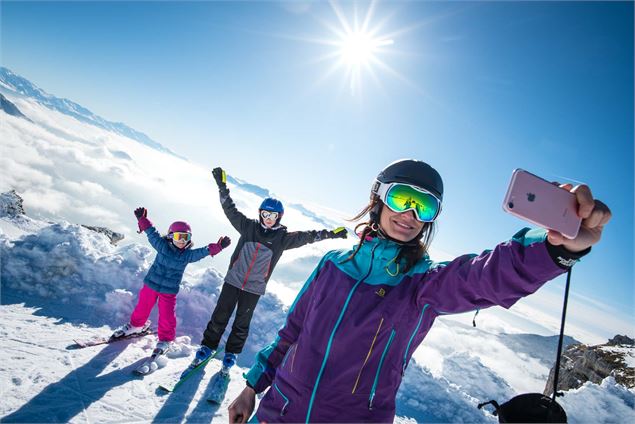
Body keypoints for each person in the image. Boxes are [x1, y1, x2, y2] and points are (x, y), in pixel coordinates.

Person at [227, 159, 612, 423]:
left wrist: (555, 247)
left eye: (424, 206)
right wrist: (251, 388)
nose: (410, 214)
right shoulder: (332, 265)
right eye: (401, 198)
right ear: (377, 199)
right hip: (277, 411)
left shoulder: (422, 285)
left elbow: (485, 276)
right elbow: (290, 333)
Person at [186, 167, 348, 376]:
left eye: (272, 215)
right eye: (265, 213)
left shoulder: (283, 238)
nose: (268, 218)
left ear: (279, 216)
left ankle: (231, 355)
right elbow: (230, 210)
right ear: (260, 213)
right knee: (220, 315)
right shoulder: (247, 227)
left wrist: (332, 234)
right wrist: (222, 186)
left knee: (242, 323)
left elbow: (309, 236)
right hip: (233, 280)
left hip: (254, 287)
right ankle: (207, 347)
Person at [111, 207, 231, 352]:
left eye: (185, 238)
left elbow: (202, 252)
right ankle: (136, 325)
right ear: (170, 236)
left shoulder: (187, 255)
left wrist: (218, 247)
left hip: (169, 291)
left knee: (167, 316)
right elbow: (152, 233)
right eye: (178, 237)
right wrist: (142, 219)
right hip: (151, 285)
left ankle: (166, 339)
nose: (181, 241)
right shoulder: (162, 246)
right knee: (143, 306)